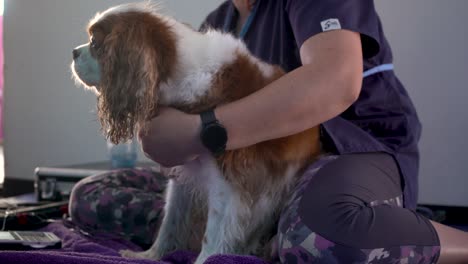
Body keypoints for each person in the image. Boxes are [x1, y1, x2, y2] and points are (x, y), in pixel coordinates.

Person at [69, 0, 468, 263]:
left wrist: (200, 131)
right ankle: (269, 232)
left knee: (323, 239)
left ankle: (401, 229)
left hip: (348, 152)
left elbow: (336, 83)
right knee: (90, 196)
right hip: (244, 185)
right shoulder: (218, 22)